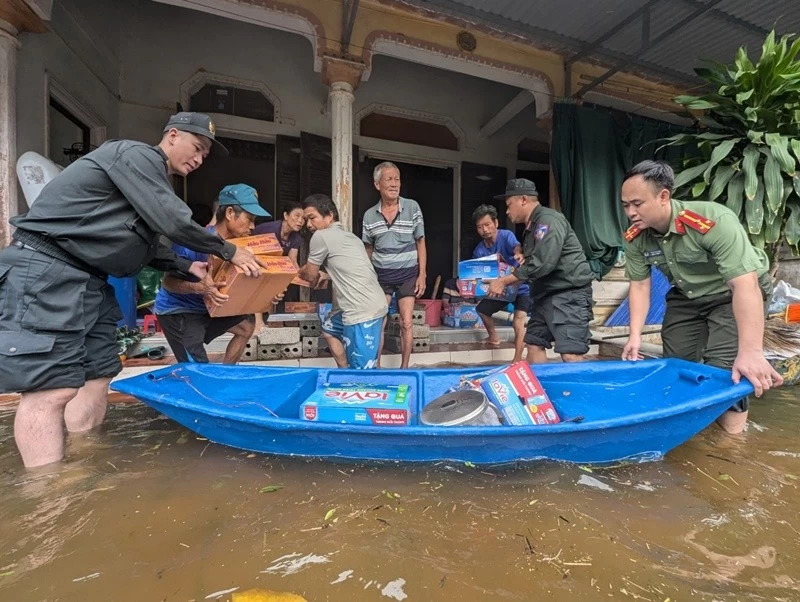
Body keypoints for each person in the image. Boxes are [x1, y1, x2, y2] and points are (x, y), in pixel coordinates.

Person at [0, 111, 264, 468]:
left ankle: (82, 460)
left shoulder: (148, 183)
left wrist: (187, 266)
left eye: (204, 155)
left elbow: (149, 244)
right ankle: (48, 493)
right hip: (49, 270)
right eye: (196, 147)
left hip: (92, 281)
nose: (199, 159)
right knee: (50, 388)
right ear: (172, 135)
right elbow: (172, 220)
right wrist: (230, 251)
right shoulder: (135, 156)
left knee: (99, 375)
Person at [619, 160, 783, 434]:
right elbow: (639, 286)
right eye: (625, 205)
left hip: (731, 293)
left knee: (726, 369)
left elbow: (745, 285)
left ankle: (732, 443)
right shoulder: (635, 237)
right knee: (676, 365)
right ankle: (690, 430)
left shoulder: (712, 221)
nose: (631, 212)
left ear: (663, 196)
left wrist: (751, 352)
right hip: (687, 295)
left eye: (637, 203)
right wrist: (634, 335)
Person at [155, 184, 271, 364]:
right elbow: (168, 282)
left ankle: (226, 374)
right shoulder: (193, 242)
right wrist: (199, 288)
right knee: (197, 369)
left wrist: (268, 294)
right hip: (179, 311)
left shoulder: (241, 248)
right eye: (249, 219)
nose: (253, 226)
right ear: (230, 213)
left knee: (247, 326)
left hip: (208, 308)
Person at [486, 179, 594, 363]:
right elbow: (536, 260)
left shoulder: (548, 220)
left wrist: (503, 281)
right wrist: (521, 254)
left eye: (509, 204)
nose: (507, 211)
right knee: (534, 344)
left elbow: (543, 263)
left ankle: (576, 392)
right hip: (545, 295)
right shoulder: (532, 227)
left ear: (523, 200)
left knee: (571, 352)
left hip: (568, 294)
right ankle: (539, 391)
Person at [300, 194, 387, 369]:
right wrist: (327, 275)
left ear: (329, 215)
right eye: (305, 220)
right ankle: (343, 369)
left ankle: (357, 380)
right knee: (329, 327)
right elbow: (355, 269)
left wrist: (293, 271)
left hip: (362, 313)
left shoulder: (321, 236)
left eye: (312, 218)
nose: (308, 224)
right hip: (373, 304)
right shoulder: (352, 238)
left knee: (362, 374)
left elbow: (309, 276)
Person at [362, 162, 426, 368]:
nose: (394, 184)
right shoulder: (369, 215)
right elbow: (368, 250)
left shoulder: (413, 207)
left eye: (397, 179)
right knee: (379, 322)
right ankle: (377, 366)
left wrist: (422, 274)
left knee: (407, 322)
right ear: (377, 184)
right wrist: (367, 278)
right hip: (381, 275)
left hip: (408, 273)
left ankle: (405, 367)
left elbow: (421, 242)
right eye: (388, 179)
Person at [471, 204, 532, 363]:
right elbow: (481, 276)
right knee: (482, 310)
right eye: (480, 227)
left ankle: (517, 359)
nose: (484, 229)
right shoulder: (479, 251)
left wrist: (518, 253)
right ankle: (493, 337)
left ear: (496, 223)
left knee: (518, 321)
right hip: (500, 290)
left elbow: (516, 246)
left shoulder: (506, 235)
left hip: (521, 287)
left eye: (487, 225)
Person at [253, 200, 305, 268]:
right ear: (286, 215)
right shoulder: (271, 230)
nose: (301, 221)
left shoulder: (296, 237)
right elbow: (263, 258)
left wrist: (298, 277)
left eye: (304, 218)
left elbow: (293, 260)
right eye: (297, 215)